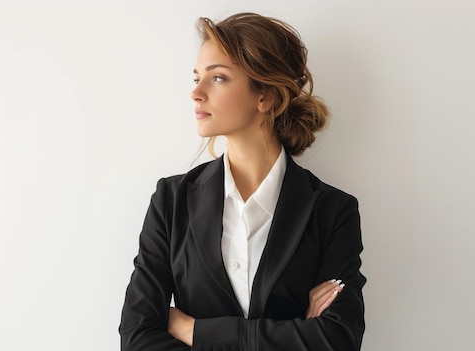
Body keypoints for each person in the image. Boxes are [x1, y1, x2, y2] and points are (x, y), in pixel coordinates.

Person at [119, 12, 366, 351]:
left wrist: (195, 332)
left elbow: (337, 340)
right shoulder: (171, 200)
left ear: (265, 96)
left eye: (218, 78)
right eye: (196, 78)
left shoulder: (332, 211)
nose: (196, 93)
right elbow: (138, 337)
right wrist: (295, 334)